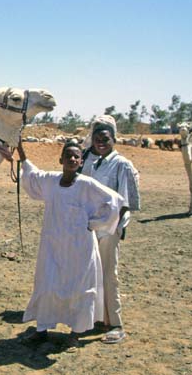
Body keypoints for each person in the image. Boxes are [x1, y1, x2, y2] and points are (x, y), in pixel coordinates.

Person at [17, 140, 123, 351]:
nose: (72, 159)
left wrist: (95, 223)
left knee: (80, 289)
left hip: (80, 249)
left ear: (81, 161)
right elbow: (31, 174)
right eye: (69, 156)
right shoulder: (50, 180)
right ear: (61, 160)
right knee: (47, 285)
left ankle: (75, 335)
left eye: (76, 157)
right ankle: (41, 331)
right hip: (52, 246)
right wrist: (19, 148)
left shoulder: (86, 184)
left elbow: (114, 201)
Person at [80, 115, 140, 344]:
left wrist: (119, 227)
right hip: (87, 228)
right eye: (96, 138)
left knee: (109, 274)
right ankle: (94, 319)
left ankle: (116, 324)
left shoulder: (121, 164)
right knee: (89, 274)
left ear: (113, 138)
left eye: (105, 138)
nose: (100, 142)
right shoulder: (88, 160)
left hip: (109, 229)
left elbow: (126, 201)